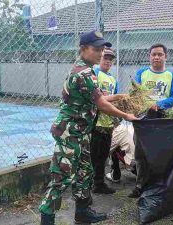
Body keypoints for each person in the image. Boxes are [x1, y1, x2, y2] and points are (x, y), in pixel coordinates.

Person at [39, 31, 137, 225]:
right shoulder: (83, 73)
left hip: (81, 132)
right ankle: (47, 218)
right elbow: (100, 104)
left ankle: (82, 212)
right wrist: (126, 115)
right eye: (96, 49)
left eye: (102, 49)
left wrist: (118, 97)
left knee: (85, 171)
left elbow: (96, 98)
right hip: (70, 132)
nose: (101, 54)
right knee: (62, 177)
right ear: (83, 49)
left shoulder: (86, 70)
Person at [129, 43, 173, 198]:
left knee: (161, 150)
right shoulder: (142, 73)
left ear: (165, 56)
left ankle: (160, 184)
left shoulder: (171, 75)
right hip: (143, 118)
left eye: (160, 54)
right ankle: (140, 185)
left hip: (162, 117)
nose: (156, 57)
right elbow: (134, 93)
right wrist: (145, 105)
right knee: (141, 152)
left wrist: (159, 104)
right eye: (153, 54)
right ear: (149, 56)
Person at [90, 48, 121, 194]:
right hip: (95, 122)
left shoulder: (113, 80)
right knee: (93, 155)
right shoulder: (94, 73)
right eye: (105, 58)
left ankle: (99, 183)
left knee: (103, 155)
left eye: (110, 59)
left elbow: (114, 101)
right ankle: (91, 183)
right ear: (100, 58)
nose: (108, 61)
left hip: (107, 123)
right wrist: (117, 97)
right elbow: (97, 99)